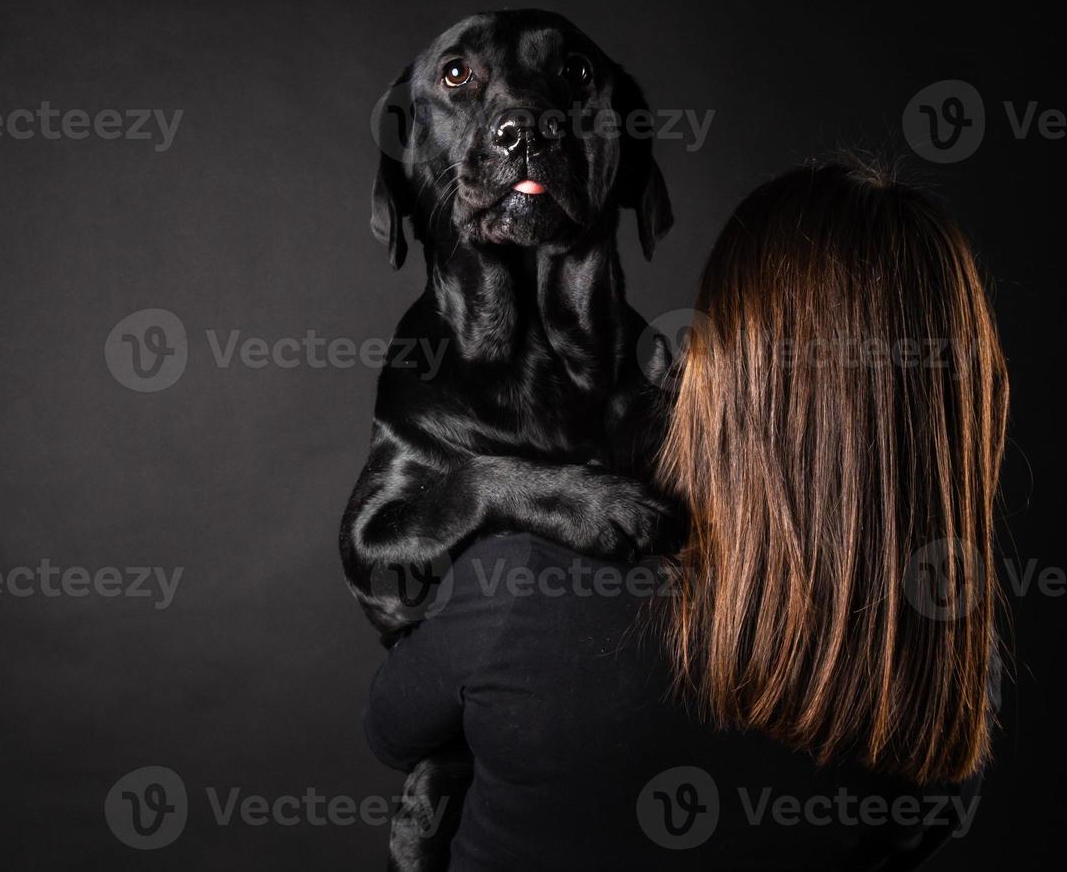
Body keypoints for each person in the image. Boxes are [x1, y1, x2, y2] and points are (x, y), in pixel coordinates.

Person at [364, 157, 1009, 870]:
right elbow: (912, 835)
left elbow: (393, 731)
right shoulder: (939, 654)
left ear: (726, 350)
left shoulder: (526, 581)